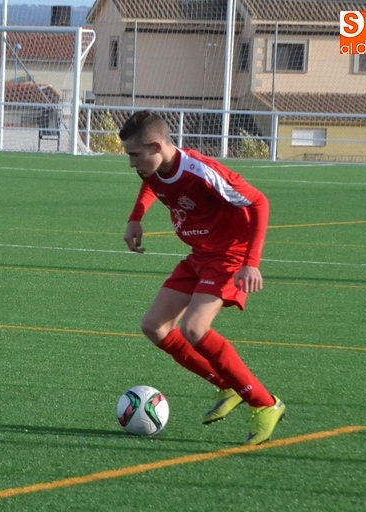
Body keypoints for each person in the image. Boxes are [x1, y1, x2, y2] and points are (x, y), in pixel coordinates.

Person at [119, 110, 285, 445]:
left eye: (135, 155)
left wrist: (251, 263)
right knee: (154, 326)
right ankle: (227, 385)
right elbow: (151, 183)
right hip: (200, 255)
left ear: (156, 146)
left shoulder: (202, 171)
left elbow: (258, 202)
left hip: (228, 257)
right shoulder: (154, 167)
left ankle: (265, 403)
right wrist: (136, 218)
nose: (132, 163)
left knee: (194, 328)